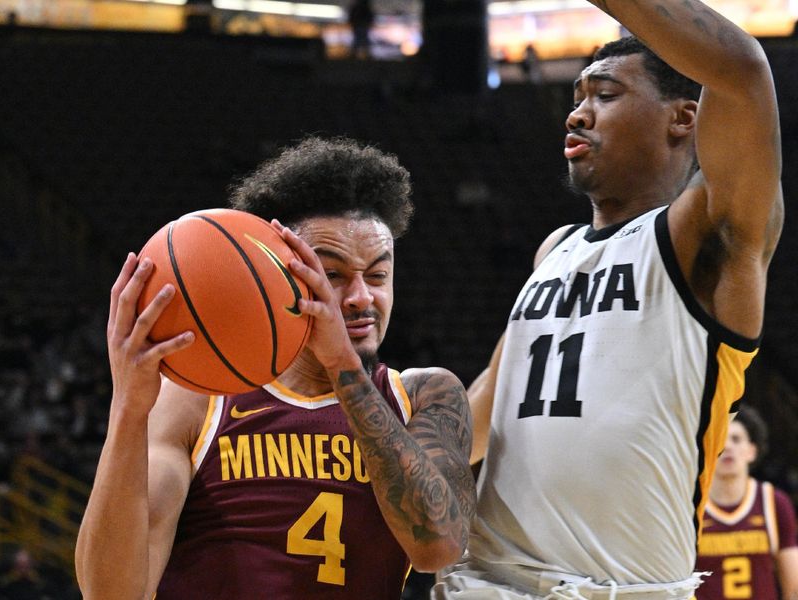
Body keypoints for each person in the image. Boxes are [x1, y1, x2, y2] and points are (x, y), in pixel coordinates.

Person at [435, 0, 784, 598]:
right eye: (575, 99)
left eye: (604, 94)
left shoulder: (705, 233)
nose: (577, 115)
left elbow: (743, 70)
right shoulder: (554, 251)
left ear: (684, 119)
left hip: (620, 588)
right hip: (482, 581)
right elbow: (484, 412)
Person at [75, 136, 476, 599]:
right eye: (333, 275)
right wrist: (127, 408)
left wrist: (340, 362)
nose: (362, 297)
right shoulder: (198, 402)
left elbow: (438, 548)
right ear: (275, 277)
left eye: (378, 275)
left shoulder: (425, 395)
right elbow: (111, 594)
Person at [695, 406, 798, 600]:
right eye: (720, 439)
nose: (727, 447)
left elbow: (793, 589)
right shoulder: (691, 506)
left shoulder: (774, 502)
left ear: (752, 451)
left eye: (736, 439)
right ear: (707, 450)